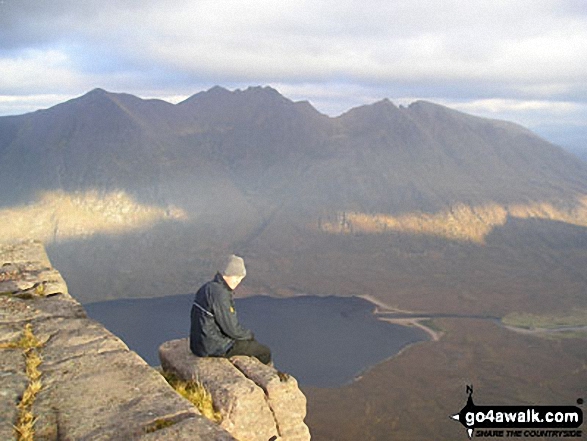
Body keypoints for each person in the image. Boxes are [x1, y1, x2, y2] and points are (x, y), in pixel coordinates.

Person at [189, 254, 272, 365]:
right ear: (227, 274)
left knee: (248, 343)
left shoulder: (208, 287)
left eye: (240, 278)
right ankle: (264, 377)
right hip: (213, 347)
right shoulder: (221, 294)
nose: (238, 281)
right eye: (237, 277)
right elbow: (232, 329)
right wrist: (249, 335)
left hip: (198, 344)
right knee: (264, 351)